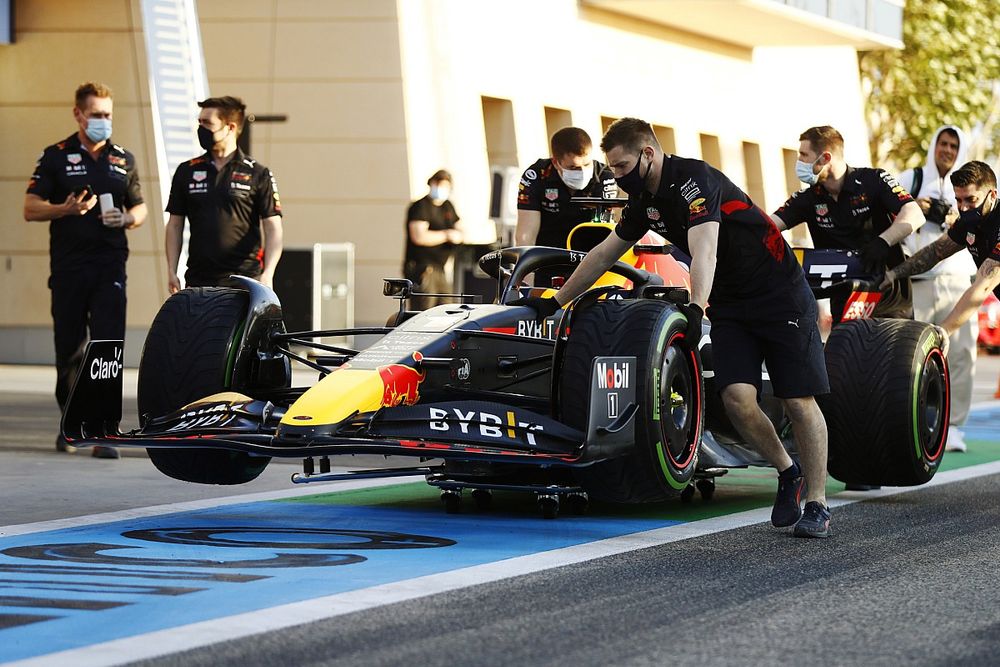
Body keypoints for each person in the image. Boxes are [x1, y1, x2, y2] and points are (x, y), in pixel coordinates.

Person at [515, 118, 833, 538]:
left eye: (623, 167)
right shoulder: (643, 199)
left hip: (780, 292)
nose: (618, 177)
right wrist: (555, 302)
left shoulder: (693, 180)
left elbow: (705, 252)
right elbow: (604, 254)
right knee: (737, 398)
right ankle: (788, 472)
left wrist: (697, 306)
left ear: (648, 154)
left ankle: (818, 503)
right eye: (612, 170)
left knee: (797, 399)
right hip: (734, 303)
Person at [23, 81, 147, 459]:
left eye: (108, 115)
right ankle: (71, 425)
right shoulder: (55, 156)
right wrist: (65, 209)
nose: (103, 121)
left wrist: (125, 217)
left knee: (107, 349)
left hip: (110, 265)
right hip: (69, 269)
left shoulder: (123, 158)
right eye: (96, 115)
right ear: (78, 114)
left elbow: (140, 209)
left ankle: (104, 430)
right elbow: (30, 208)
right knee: (70, 350)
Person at [771, 126, 923, 324]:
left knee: (890, 353)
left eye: (804, 155)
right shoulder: (808, 198)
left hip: (889, 298)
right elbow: (767, 226)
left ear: (825, 158)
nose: (799, 162)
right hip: (845, 301)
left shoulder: (873, 180)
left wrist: (883, 241)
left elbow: (915, 213)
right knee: (844, 354)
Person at [882, 160, 1000, 382]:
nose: (963, 208)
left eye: (971, 200)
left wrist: (944, 329)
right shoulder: (968, 221)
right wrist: (893, 274)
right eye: (958, 200)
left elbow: (983, 284)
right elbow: (936, 251)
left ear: (992, 195)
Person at [899, 126, 978, 452]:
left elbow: (977, 223)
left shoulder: (970, 185)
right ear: (934, 145)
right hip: (918, 281)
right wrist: (917, 207)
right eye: (943, 143)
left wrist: (948, 215)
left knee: (960, 353)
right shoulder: (911, 178)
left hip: (956, 279)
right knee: (913, 356)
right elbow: (892, 214)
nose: (947, 150)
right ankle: (916, 421)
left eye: (954, 145)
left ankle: (955, 425)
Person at [165, 96, 283, 292]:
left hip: (245, 280)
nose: (201, 128)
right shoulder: (186, 171)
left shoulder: (258, 173)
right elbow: (175, 224)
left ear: (230, 127)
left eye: (207, 123)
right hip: (199, 280)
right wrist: (171, 270)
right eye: (199, 122)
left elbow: (273, 228)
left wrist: (268, 273)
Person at [515, 126, 617, 286]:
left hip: (591, 264)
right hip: (546, 262)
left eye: (587, 164)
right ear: (556, 162)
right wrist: (525, 285)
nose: (582, 172)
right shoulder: (537, 175)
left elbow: (612, 232)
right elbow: (525, 237)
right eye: (574, 168)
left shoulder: (606, 176)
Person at [404, 170, 464, 309]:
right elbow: (419, 236)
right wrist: (446, 235)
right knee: (424, 311)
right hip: (423, 268)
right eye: (438, 184)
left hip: (441, 268)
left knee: (447, 310)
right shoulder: (421, 206)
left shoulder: (447, 206)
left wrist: (456, 236)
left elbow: (460, 231)